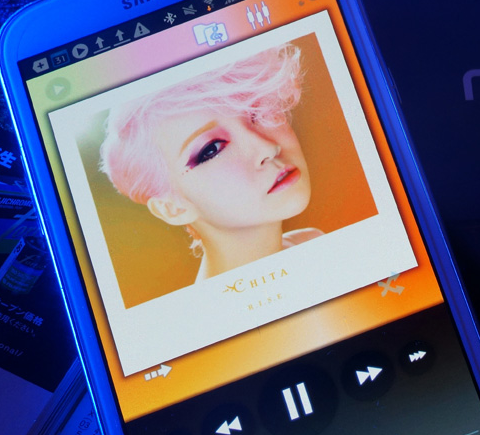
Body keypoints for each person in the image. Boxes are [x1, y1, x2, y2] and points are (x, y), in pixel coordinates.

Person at [100, 43, 321, 283]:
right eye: (211, 149)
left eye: (257, 114)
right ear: (172, 208)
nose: (267, 148)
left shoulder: (314, 244)